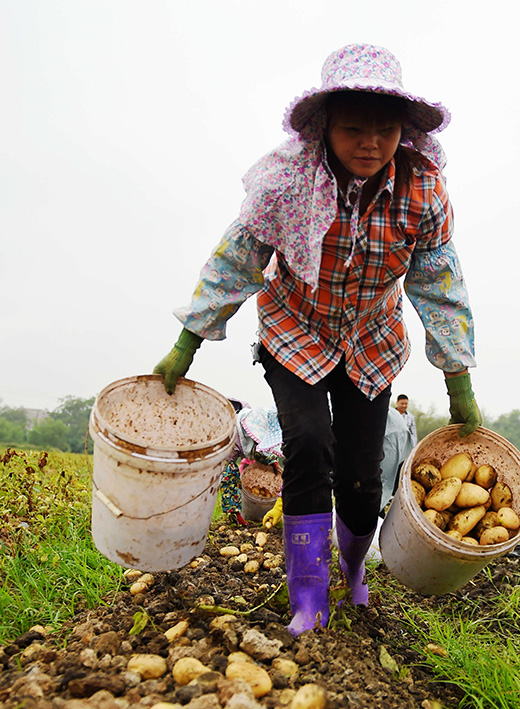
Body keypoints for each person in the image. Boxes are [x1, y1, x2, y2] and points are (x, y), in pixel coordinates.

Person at [154, 43, 482, 635]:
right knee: (307, 445)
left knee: (361, 474)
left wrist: (458, 382)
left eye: (385, 131)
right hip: (295, 330)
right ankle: (307, 596)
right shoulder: (287, 183)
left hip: (370, 342)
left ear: (402, 134)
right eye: (354, 129)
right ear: (326, 126)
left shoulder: (421, 192)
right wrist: (187, 342)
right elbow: (237, 260)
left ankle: (353, 573)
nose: (370, 144)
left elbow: (440, 286)